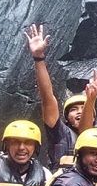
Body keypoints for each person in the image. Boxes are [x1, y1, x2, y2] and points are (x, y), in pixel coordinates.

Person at [25, 24, 86, 171]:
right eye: (74, 109)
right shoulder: (61, 133)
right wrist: (38, 58)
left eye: (83, 109)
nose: (79, 112)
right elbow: (47, 98)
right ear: (66, 117)